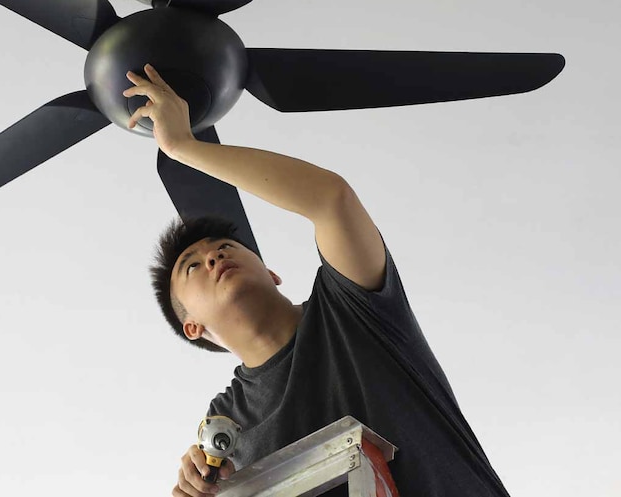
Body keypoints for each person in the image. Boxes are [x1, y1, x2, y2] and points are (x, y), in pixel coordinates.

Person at [125, 64, 510, 497]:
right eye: (191, 266)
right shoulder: (227, 425)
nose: (212, 255)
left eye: (225, 247)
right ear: (191, 326)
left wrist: (183, 146)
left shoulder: (353, 306)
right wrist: (196, 488)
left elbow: (330, 199)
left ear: (271, 274)